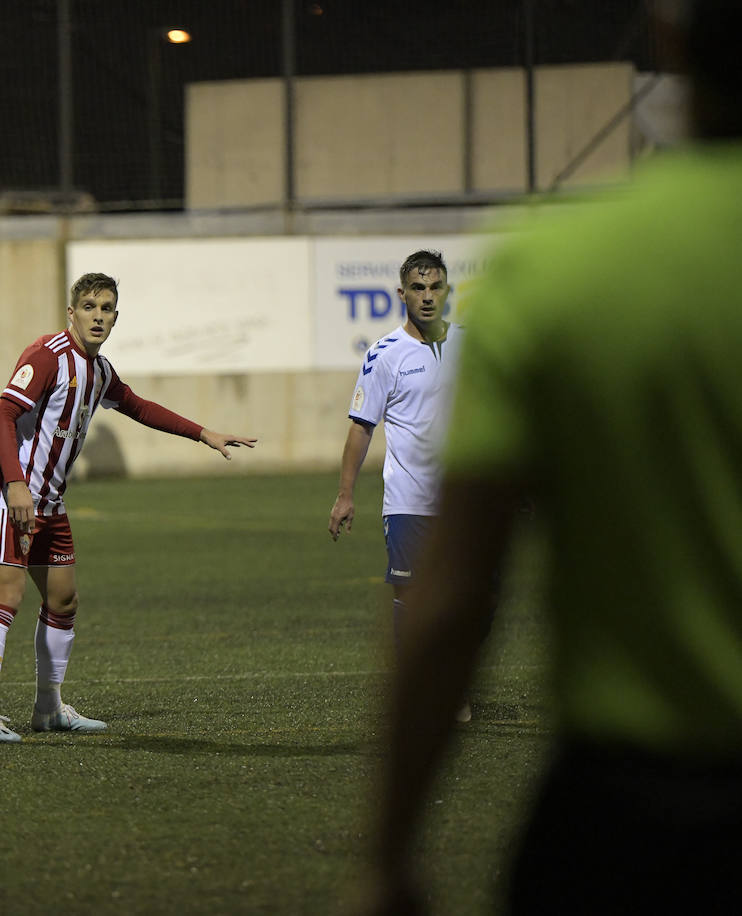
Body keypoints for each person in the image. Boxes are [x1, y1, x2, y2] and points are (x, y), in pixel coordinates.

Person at [368, 2, 742, 912]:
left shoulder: (559, 265)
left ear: (669, 37)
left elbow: (455, 598)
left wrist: (388, 853)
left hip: (631, 810)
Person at [0, 272, 257, 742]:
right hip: (8, 493)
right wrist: (16, 485)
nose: (97, 316)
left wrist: (205, 433)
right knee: (7, 597)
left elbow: (139, 407)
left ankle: (48, 708)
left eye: (106, 309)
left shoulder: (99, 372)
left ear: (115, 318)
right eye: (89, 307)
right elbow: (2, 414)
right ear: (71, 312)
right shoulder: (47, 356)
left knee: (63, 600)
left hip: (50, 502)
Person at [327, 249, 477, 722]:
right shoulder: (384, 355)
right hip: (409, 498)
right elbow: (360, 426)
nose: (427, 296)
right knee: (413, 597)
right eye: (418, 287)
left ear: (447, 290)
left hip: (464, 497)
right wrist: (346, 493)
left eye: (435, 287)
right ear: (402, 293)